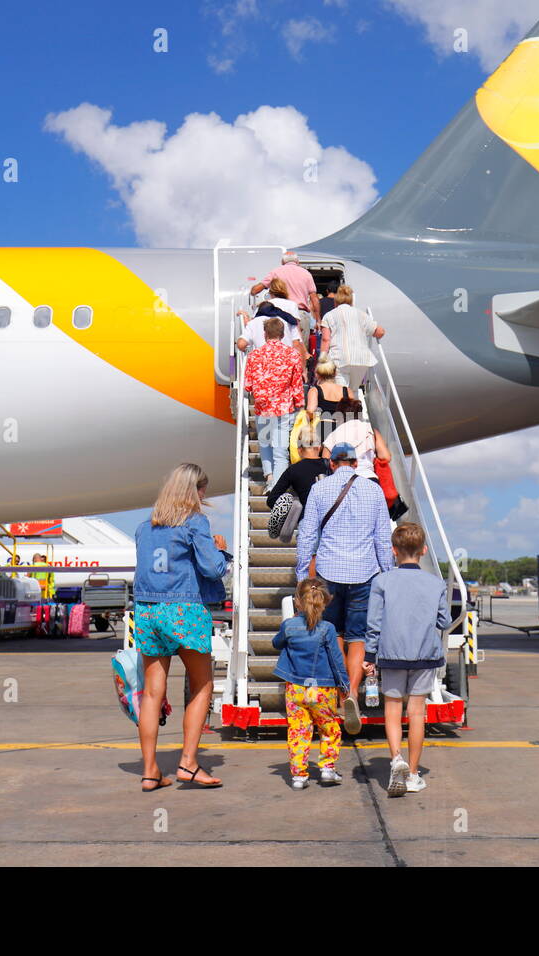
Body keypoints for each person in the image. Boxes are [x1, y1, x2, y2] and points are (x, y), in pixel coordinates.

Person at [132, 463, 230, 791]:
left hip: (147, 610)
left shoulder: (145, 526)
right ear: (195, 490)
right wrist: (220, 549)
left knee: (151, 692)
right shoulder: (194, 521)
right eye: (203, 490)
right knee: (202, 685)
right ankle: (188, 763)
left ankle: (150, 771)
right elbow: (212, 568)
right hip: (183, 609)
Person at [295, 442, 394, 734]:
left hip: (329, 572)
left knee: (334, 633)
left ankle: (339, 694)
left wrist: (302, 573)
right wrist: (388, 574)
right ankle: (352, 692)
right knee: (359, 637)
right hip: (365, 572)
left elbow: (308, 534)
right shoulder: (373, 490)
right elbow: (382, 540)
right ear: (354, 462)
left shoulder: (319, 490)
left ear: (332, 463)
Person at [364, 523, 451, 796]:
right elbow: (444, 620)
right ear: (423, 551)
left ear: (393, 551)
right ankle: (413, 774)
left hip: (390, 654)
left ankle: (396, 759)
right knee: (416, 714)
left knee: (392, 710)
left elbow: (374, 623)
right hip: (425, 655)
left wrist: (369, 655)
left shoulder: (382, 582)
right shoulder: (436, 583)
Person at [273, 578, 349, 789]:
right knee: (329, 728)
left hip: (295, 688)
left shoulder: (289, 625)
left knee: (298, 731)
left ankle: (299, 776)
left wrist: (290, 625)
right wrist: (345, 685)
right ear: (326, 601)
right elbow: (336, 659)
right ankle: (327, 769)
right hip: (322, 689)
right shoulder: (328, 629)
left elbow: (276, 643)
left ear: (297, 601)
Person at [243, 317, 304, 491]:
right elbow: (297, 384)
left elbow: (248, 385)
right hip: (283, 407)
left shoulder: (254, 355)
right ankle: (276, 487)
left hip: (262, 407)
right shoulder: (292, 354)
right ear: (283, 334)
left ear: (265, 334)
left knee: (265, 444)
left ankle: (269, 478)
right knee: (280, 451)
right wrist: (299, 404)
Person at [321, 285, 384, 393]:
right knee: (353, 391)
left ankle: (343, 409)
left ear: (335, 301)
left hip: (340, 358)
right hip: (361, 359)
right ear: (351, 301)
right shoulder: (361, 315)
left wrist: (322, 360)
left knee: (341, 392)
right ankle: (352, 408)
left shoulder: (329, 316)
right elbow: (380, 332)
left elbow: (326, 340)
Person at [321, 397, 391, 481]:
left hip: (343, 480)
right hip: (369, 478)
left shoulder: (334, 434)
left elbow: (325, 461)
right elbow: (386, 456)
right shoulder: (370, 430)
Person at [267, 427, 331, 509]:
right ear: (319, 447)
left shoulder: (293, 470)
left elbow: (271, 500)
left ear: (299, 450)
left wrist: (295, 509)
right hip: (332, 518)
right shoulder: (331, 465)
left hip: (306, 517)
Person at [251, 251, 320, 323]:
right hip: (300, 314)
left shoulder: (275, 272)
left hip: (280, 314)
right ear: (297, 262)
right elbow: (314, 298)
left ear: (282, 262)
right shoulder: (306, 274)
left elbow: (254, 291)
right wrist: (318, 319)